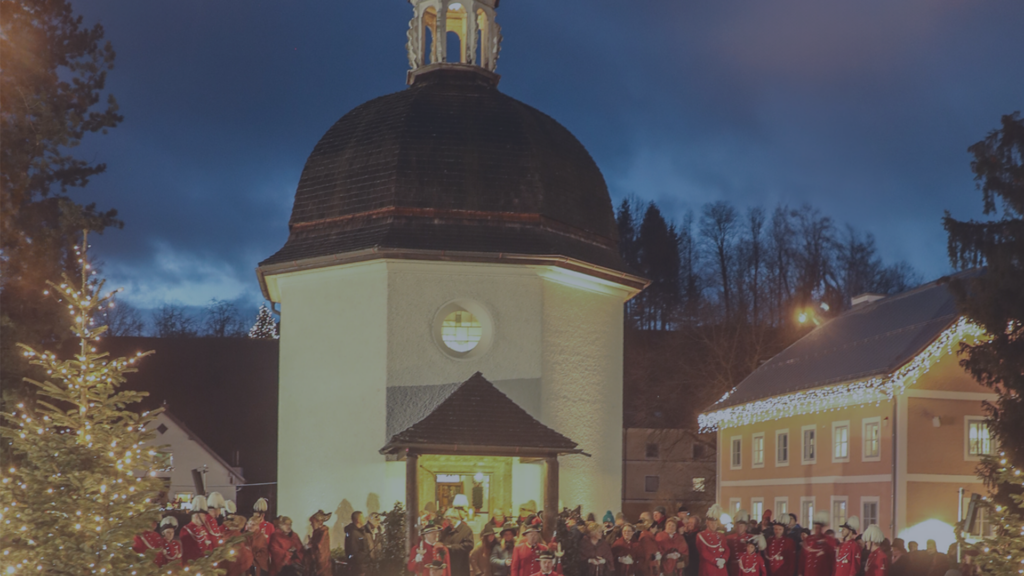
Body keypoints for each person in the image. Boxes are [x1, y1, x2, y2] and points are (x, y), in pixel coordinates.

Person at [697, 506, 729, 576]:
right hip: (708, 567)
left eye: (715, 523)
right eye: (712, 523)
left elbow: (726, 549)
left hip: (721, 567)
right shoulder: (701, 535)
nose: (714, 525)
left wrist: (724, 559)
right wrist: (715, 561)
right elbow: (703, 552)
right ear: (707, 523)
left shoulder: (721, 535)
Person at [182, 496, 215, 563]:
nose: (205, 518)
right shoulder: (186, 529)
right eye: (203, 516)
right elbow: (189, 550)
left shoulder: (204, 529)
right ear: (196, 516)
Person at [444, 507, 476, 576]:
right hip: (448, 564)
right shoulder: (447, 530)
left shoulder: (466, 530)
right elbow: (441, 542)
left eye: (448, 519)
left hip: (461, 566)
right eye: (446, 520)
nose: (447, 522)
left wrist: (451, 547)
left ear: (455, 518)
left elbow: (469, 545)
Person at [306, 510, 333, 576]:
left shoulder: (324, 532)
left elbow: (320, 546)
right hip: (316, 561)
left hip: (322, 562)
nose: (311, 524)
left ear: (319, 522)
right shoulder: (316, 532)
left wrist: (311, 546)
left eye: (313, 522)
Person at [346, 511, 373, 576]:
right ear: (358, 520)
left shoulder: (361, 532)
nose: (364, 519)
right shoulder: (353, 533)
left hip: (364, 567)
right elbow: (354, 552)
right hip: (359, 569)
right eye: (362, 517)